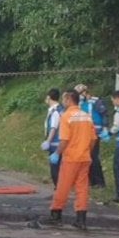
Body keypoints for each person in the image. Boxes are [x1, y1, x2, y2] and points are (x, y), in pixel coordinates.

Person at [41, 89, 96, 230]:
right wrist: (86, 151)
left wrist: (57, 153)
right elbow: (93, 139)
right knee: (82, 188)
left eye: (65, 99)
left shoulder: (66, 116)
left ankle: (56, 214)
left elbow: (64, 140)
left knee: (63, 186)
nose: (63, 102)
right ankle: (81, 219)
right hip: (85, 158)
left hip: (71, 157)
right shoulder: (87, 116)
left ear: (69, 100)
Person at [75, 84, 107, 188]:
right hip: (84, 134)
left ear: (85, 92)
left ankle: (100, 182)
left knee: (94, 157)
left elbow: (104, 113)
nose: (79, 96)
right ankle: (91, 181)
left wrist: (105, 127)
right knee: (86, 158)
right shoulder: (80, 104)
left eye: (80, 93)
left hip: (95, 133)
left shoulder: (95, 101)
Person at [41, 88, 63, 188]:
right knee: (59, 168)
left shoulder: (55, 111)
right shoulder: (60, 109)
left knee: (55, 169)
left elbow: (53, 128)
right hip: (60, 143)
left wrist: (48, 141)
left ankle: (59, 190)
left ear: (49, 97)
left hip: (55, 144)